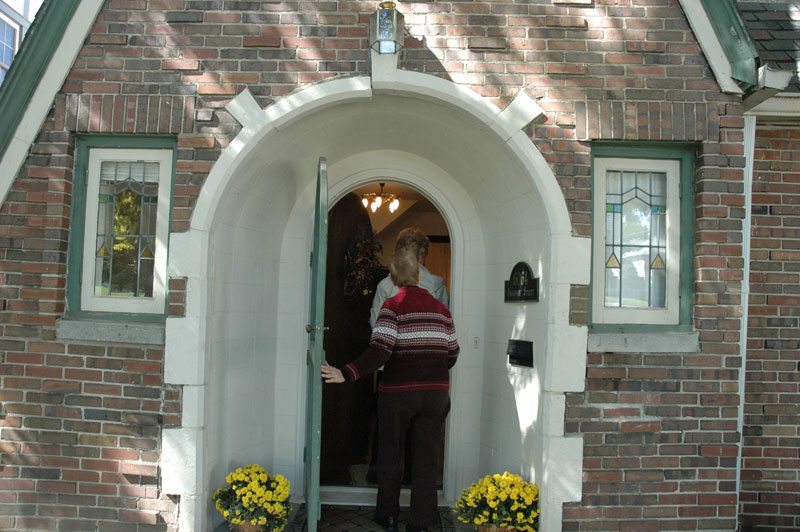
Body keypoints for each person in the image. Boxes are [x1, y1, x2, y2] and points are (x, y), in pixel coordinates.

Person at [321, 249, 459, 532]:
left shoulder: (392, 306)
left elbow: (380, 350)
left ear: (393, 280)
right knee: (426, 461)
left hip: (398, 394)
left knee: (389, 457)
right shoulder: (441, 309)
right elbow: (453, 352)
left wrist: (346, 373)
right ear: (420, 275)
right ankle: (423, 523)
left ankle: (389, 516)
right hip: (435, 396)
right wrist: (431, 370)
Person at [370, 228, 449, 328]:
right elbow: (445, 324)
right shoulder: (437, 284)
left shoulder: (385, 285)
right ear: (423, 253)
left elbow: (376, 323)